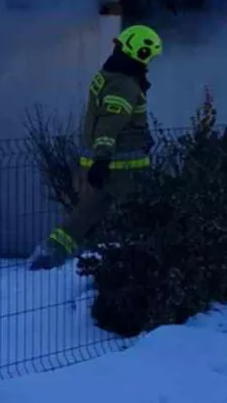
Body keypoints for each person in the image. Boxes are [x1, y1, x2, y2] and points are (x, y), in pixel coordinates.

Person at [31, 24, 163, 270]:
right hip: (122, 171)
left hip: (106, 165)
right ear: (140, 53)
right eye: (148, 58)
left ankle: (49, 255)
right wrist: (102, 160)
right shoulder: (124, 85)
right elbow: (108, 126)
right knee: (140, 217)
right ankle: (137, 268)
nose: (149, 64)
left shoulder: (110, 75)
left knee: (85, 215)